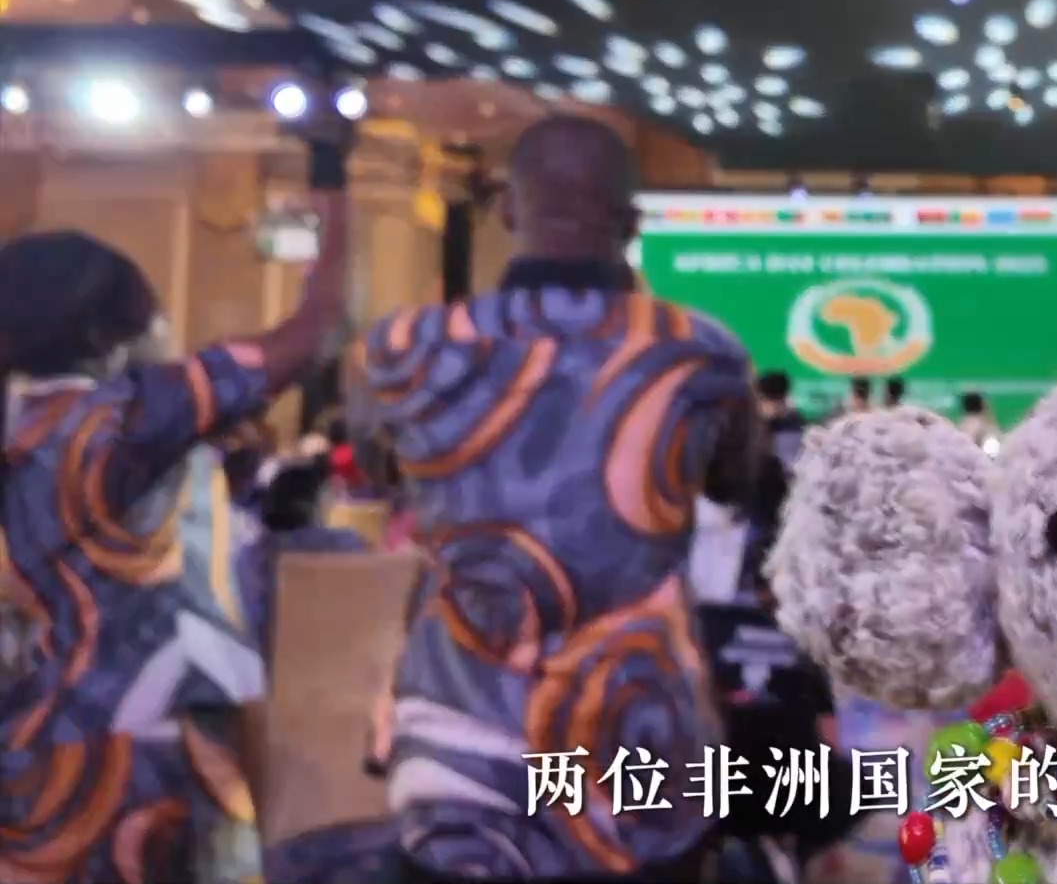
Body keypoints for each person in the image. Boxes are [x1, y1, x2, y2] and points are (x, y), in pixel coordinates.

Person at [347, 115, 762, 884]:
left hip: (457, 747)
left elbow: (377, 474)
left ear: (507, 209)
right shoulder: (702, 353)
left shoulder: (398, 351)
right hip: (639, 751)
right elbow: (735, 483)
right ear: (631, 225)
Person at [0, 122, 351, 884]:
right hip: (146, 751)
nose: (166, 334)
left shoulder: (27, 425)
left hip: (40, 742)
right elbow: (316, 330)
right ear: (108, 332)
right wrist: (333, 175)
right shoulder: (130, 416)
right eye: (154, 316)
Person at [233, 458, 369, 657]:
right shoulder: (347, 544)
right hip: (342, 657)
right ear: (317, 503)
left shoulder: (249, 556)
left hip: (274, 663)